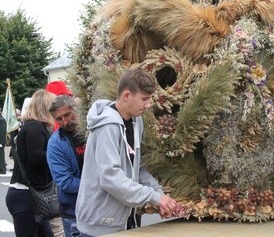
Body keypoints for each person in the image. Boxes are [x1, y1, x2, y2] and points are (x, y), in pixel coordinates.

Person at [76, 67, 178, 236]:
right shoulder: (107, 127)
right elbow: (110, 178)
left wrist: (158, 194)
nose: (148, 104)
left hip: (124, 220)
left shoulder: (136, 121)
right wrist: (153, 197)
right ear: (126, 95)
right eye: (144, 99)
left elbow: (138, 168)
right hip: (99, 225)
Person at [5, 89, 56, 237]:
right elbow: (36, 157)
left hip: (28, 195)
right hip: (25, 195)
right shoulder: (35, 127)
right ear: (45, 107)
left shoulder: (32, 126)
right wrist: (59, 156)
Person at [47, 95, 87, 237]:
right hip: (74, 210)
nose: (64, 121)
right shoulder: (56, 143)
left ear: (75, 109)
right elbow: (65, 182)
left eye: (67, 115)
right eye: (59, 119)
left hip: (101, 208)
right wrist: (97, 186)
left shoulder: (92, 131)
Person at [0, 109, 6, 174]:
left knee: (1, 155)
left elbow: (2, 131)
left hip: (0, 141)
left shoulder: (2, 120)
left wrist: (1, 142)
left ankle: (2, 169)